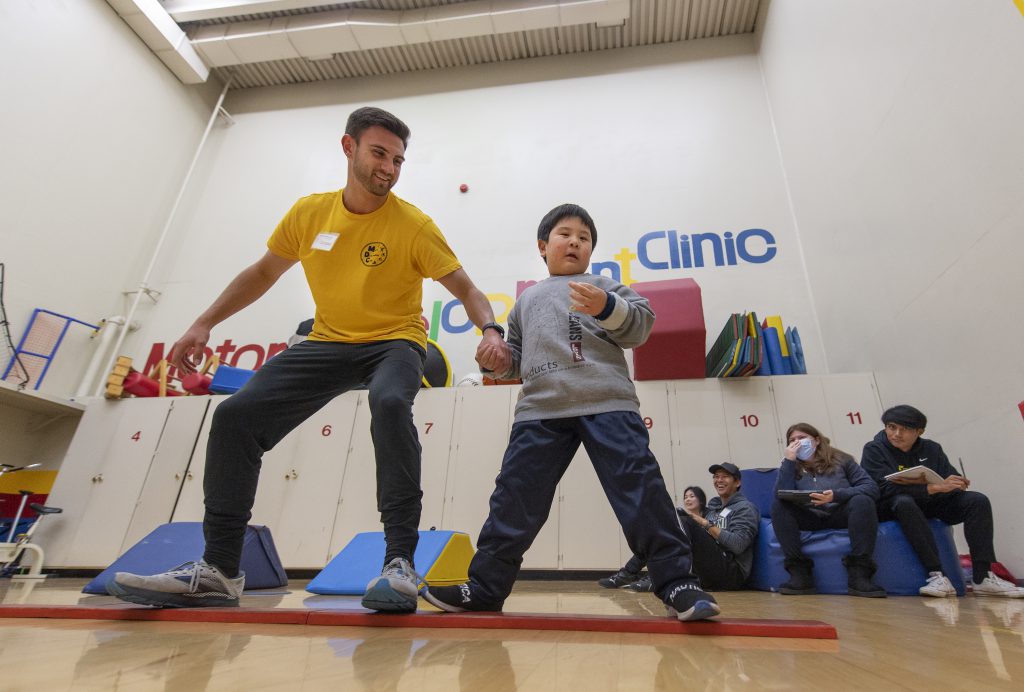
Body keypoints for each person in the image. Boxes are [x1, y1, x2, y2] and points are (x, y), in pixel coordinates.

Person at [108, 106, 511, 611]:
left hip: (395, 342)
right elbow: (262, 273)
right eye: (379, 153)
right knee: (234, 417)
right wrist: (203, 322)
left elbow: (466, 287)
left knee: (389, 403)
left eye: (399, 160)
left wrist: (491, 330)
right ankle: (219, 570)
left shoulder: (414, 225)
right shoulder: (309, 214)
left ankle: (400, 564)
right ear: (349, 148)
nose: (388, 167)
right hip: (327, 343)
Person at [420, 203, 720, 621]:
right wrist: (496, 360)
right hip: (540, 410)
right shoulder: (526, 301)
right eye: (565, 234)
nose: (576, 241)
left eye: (584, 237)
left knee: (642, 492)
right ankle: (486, 587)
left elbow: (642, 327)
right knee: (513, 499)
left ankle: (677, 583)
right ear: (543, 246)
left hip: (608, 404)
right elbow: (517, 362)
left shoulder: (605, 285)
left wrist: (605, 307)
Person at [861, 405, 1023, 598]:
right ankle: (936, 574)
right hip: (892, 505)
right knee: (904, 502)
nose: (896, 434)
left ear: (919, 432)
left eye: (904, 429)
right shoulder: (874, 449)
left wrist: (956, 483)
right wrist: (932, 488)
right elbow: (880, 488)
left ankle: (983, 576)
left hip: (931, 502)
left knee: (977, 500)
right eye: (891, 427)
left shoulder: (932, 448)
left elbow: (947, 476)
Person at [772, 423, 885, 597]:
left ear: (816, 440)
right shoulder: (790, 465)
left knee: (863, 500)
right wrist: (788, 462)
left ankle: (859, 574)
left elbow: (871, 488)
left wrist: (836, 496)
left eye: (802, 438)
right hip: (810, 515)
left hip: (840, 512)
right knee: (779, 506)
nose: (797, 443)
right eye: (792, 440)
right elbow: (781, 494)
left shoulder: (842, 459)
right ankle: (800, 574)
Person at [597, 486, 708, 590]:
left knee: (679, 524)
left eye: (692, 496)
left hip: (704, 561)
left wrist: (700, 522)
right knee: (657, 536)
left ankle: (657, 577)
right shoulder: (682, 519)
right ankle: (628, 574)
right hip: (688, 557)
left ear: (701, 500)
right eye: (685, 497)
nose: (688, 499)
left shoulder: (709, 515)